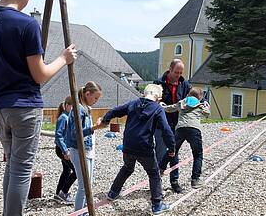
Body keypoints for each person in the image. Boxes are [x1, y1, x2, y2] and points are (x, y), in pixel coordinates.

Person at [0, 0, 77, 216]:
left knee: (13, 164)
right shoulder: (26, 24)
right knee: (22, 168)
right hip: (23, 106)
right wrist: (63, 58)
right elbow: (40, 75)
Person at [101, 84, 175, 215]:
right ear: (158, 97)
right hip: (144, 147)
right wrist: (172, 147)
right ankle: (157, 204)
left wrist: (106, 119)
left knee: (127, 168)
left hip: (128, 145)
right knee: (154, 173)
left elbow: (115, 111)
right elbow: (166, 129)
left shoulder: (134, 104)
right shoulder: (157, 109)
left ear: (144, 94)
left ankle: (112, 193)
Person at [65, 81, 105, 215]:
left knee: (89, 184)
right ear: (87, 94)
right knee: (83, 186)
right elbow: (75, 133)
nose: (96, 101)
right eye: (95, 98)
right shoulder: (79, 109)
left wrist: (94, 126)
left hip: (86, 149)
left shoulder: (85, 108)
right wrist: (95, 128)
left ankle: (84, 211)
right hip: (78, 150)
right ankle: (79, 212)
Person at [159, 87, 210, 189]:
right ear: (200, 97)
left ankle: (161, 168)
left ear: (188, 95)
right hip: (194, 129)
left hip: (180, 129)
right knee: (197, 155)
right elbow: (207, 114)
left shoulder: (182, 102)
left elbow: (170, 109)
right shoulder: (200, 105)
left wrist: (162, 106)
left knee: (172, 150)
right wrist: (206, 106)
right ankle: (195, 180)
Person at [153, 59, 191, 193]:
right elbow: (152, 102)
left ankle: (174, 181)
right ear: (170, 69)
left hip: (177, 125)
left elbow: (192, 97)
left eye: (181, 73)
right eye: (176, 72)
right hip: (161, 125)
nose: (178, 75)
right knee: (160, 153)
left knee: (174, 153)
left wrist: (202, 102)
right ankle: (155, 183)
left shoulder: (185, 84)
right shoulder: (158, 84)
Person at [54, 96, 76, 205]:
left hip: (64, 149)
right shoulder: (63, 117)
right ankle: (64, 193)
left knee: (67, 171)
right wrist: (65, 151)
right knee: (77, 171)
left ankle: (58, 194)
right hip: (62, 150)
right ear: (67, 105)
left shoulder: (68, 116)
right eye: (73, 106)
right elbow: (58, 136)